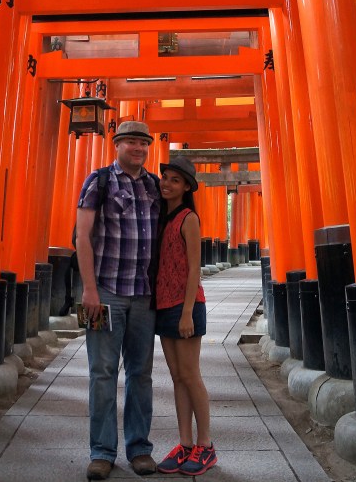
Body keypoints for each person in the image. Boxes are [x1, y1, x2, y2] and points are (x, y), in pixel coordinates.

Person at [75, 120, 161, 481]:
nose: (138, 149)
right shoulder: (99, 181)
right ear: (117, 145)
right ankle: (102, 452)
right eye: (131, 143)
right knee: (102, 373)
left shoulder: (155, 185)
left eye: (144, 143)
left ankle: (139, 448)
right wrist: (89, 289)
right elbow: (82, 235)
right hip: (106, 291)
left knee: (141, 374)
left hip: (143, 295)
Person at [155, 157, 217, 476]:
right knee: (177, 376)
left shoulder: (188, 218)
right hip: (163, 305)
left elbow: (195, 267)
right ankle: (185, 443)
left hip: (185, 306)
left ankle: (205, 445)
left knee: (191, 375)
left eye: (175, 180)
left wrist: (188, 312)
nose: (166, 183)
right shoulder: (159, 217)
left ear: (187, 187)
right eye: (164, 177)